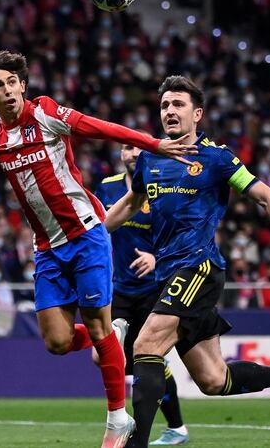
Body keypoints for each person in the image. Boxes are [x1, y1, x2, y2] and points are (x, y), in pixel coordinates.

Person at [0, 51, 196, 448]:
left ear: (23, 84)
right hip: (48, 249)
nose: (6, 91)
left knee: (99, 322)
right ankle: (109, 338)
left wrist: (154, 145)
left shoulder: (47, 113)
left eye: (11, 82)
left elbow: (102, 128)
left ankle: (117, 419)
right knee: (56, 342)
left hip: (87, 234)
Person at [104, 76, 270, 447]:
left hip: (199, 267)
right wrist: (90, 235)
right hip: (169, 275)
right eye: (165, 105)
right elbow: (131, 203)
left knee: (145, 346)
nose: (170, 112)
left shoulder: (217, 158)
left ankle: (136, 444)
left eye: (178, 105)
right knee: (214, 380)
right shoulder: (149, 157)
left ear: (197, 114)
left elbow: (267, 197)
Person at [95, 142, 189, 446]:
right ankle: (172, 427)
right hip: (118, 288)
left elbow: (179, 235)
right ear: (120, 155)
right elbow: (96, 230)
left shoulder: (163, 188)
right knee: (105, 357)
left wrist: (155, 258)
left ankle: (176, 428)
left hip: (153, 288)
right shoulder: (107, 188)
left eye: (139, 149)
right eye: (126, 148)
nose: (133, 153)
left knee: (150, 360)